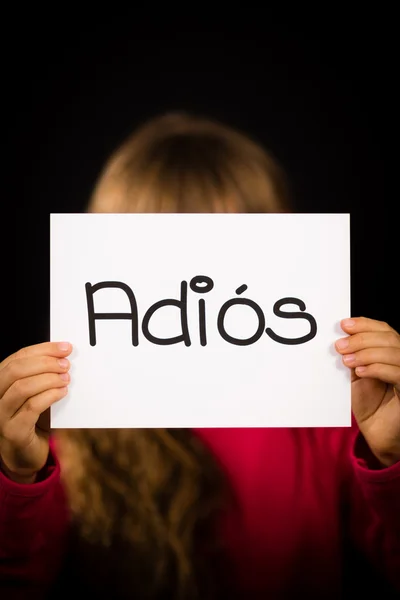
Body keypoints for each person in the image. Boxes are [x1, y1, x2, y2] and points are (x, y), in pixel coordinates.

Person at [0, 112, 399, 600]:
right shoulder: (61, 432)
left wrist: (391, 457)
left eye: (243, 249)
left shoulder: (332, 425)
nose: (204, 287)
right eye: (170, 255)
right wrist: (18, 476)